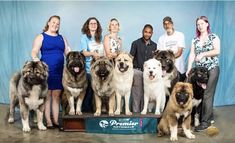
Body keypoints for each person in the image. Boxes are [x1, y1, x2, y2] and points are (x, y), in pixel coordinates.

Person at [31, 15, 71, 129]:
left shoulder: (62, 38)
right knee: (47, 95)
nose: (55, 25)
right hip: (46, 71)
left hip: (59, 71)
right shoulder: (41, 36)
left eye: (58, 23)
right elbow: (34, 51)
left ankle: (56, 120)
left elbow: (68, 52)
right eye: (53, 22)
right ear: (48, 23)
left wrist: (73, 55)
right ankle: (48, 121)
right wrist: (36, 59)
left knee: (57, 95)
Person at [186, 16, 220, 131]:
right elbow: (191, 54)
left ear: (207, 24)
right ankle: (207, 117)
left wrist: (203, 54)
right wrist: (189, 68)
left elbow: (217, 51)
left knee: (207, 94)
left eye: (202, 23)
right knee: (199, 94)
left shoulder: (213, 37)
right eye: (198, 24)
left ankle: (205, 122)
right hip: (199, 71)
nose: (200, 26)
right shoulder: (194, 40)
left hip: (212, 68)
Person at [130, 24, 157, 113]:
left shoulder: (154, 46)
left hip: (149, 74)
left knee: (146, 94)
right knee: (137, 94)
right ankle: (135, 114)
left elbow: (155, 62)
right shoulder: (135, 43)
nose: (147, 34)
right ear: (143, 32)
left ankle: (142, 115)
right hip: (137, 71)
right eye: (146, 32)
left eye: (149, 32)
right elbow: (131, 59)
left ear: (152, 33)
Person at [79, 17, 104, 112]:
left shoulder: (101, 37)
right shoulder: (84, 37)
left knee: (98, 90)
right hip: (89, 68)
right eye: (91, 23)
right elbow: (84, 53)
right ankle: (86, 109)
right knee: (89, 89)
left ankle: (97, 108)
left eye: (95, 23)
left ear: (97, 26)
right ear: (87, 26)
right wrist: (94, 54)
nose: (93, 25)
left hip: (100, 68)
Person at [158, 16, 186, 81]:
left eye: (168, 23)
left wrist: (168, 58)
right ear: (163, 26)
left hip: (179, 69)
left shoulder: (180, 35)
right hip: (167, 71)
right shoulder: (161, 38)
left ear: (172, 24)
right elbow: (161, 55)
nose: (167, 25)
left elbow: (179, 52)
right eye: (165, 24)